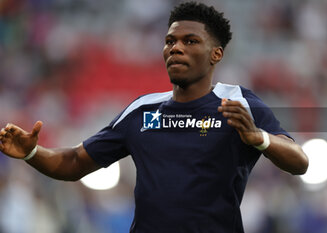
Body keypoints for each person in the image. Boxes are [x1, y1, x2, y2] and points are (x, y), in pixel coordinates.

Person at [0, 2, 308, 233]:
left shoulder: (238, 102)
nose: (176, 48)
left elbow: (300, 161)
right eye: (170, 41)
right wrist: (30, 152)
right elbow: (75, 162)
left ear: (216, 54)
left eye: (190, 41)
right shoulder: (143, 110)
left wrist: (259, 138)